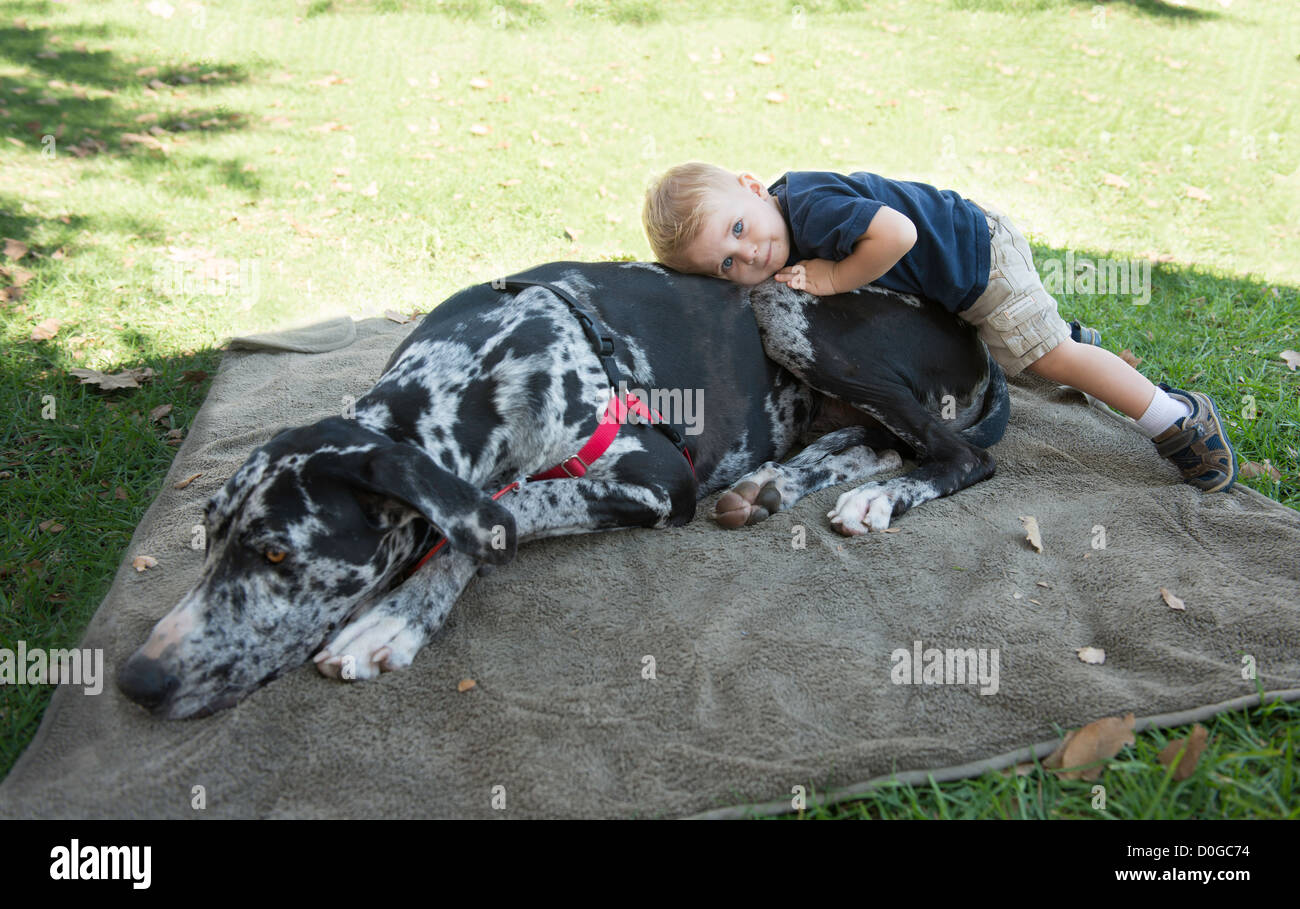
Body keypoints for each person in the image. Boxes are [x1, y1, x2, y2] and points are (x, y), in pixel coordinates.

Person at [642, 163, 1236, 492]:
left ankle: (1178, 421)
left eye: (740, 230)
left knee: (1047, 359)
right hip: (946, 278)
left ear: (752, 187)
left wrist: (830, 277)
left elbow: (897, 234)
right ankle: (1076, 337)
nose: (749, 257)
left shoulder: (810, 205)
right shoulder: (778, 223)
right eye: (726, 264)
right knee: (1019, 346)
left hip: (976, 260)